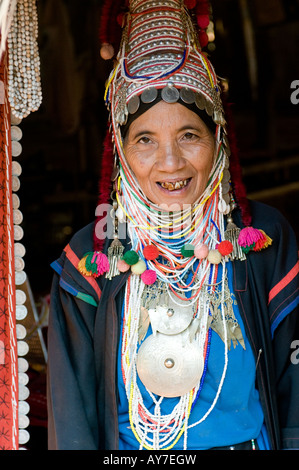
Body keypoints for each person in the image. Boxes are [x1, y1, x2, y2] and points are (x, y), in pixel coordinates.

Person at [47, 0, 299, 450]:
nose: (170, 162)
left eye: (189, 135)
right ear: (121, 151)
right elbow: (73, 426)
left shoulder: (263, 242)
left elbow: (294, 397)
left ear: (217, 138)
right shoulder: (92, 258)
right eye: (145, 139)